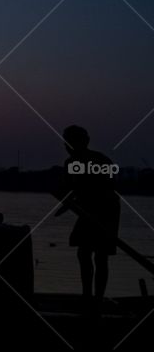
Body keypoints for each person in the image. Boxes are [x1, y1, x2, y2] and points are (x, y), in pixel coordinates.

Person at [55, 125, 120, 304]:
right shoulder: (70, 163)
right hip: (86, 211)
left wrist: (91, 205)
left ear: (85, 142)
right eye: (66, 142)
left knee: (101, 255)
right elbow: (69, 189)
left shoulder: (100, 160)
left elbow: (109, 187)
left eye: (72, 141)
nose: (68, 146)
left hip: (107, 210)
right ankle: (87, 295)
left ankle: (97, 298)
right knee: (83, 253)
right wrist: (64, 197)